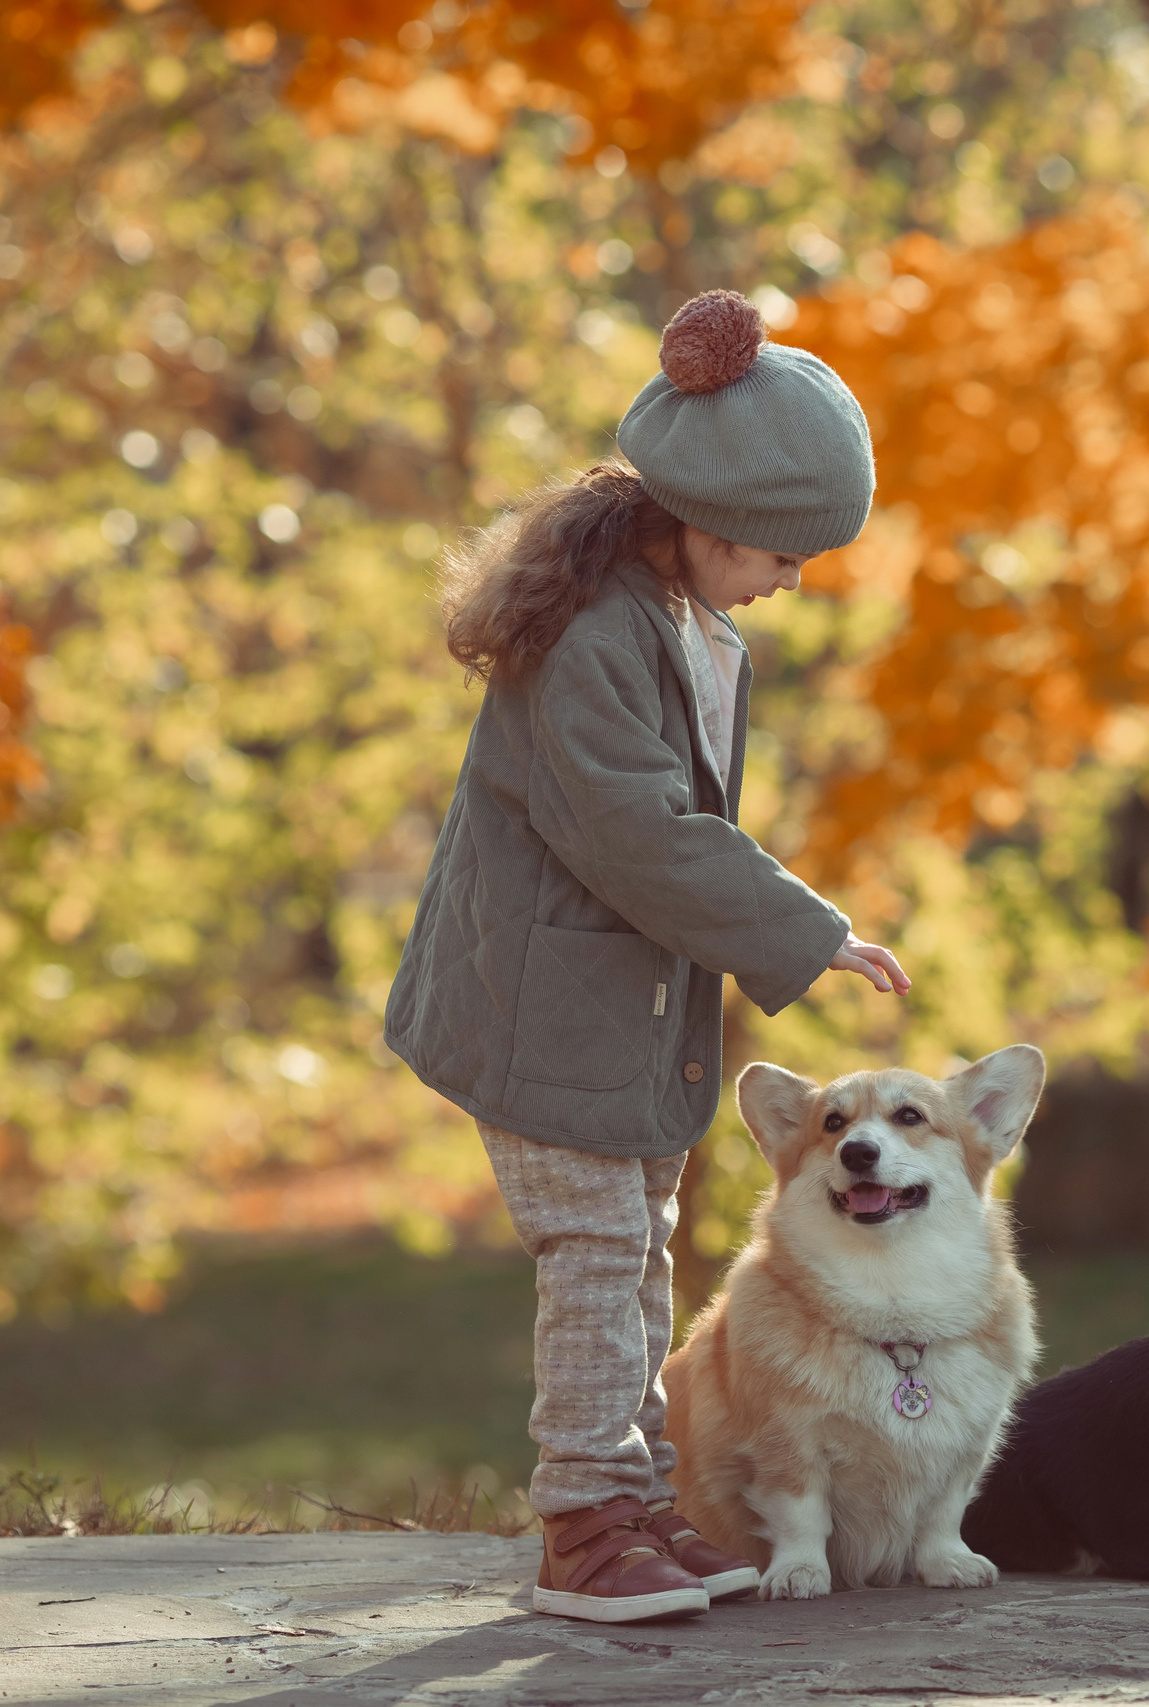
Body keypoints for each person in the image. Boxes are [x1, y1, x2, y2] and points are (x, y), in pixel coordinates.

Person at [384, 290, 910, 1624]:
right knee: (597, 1251)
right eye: (787, 556)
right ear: (718, 522)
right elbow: (638, 835)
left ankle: (636, 1497)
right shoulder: (591, 639)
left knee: (637, 1250)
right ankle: (583, 1523)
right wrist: (808, 930)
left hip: (619, 1012)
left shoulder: (675, 617)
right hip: (546, 1012)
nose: (794, 583)